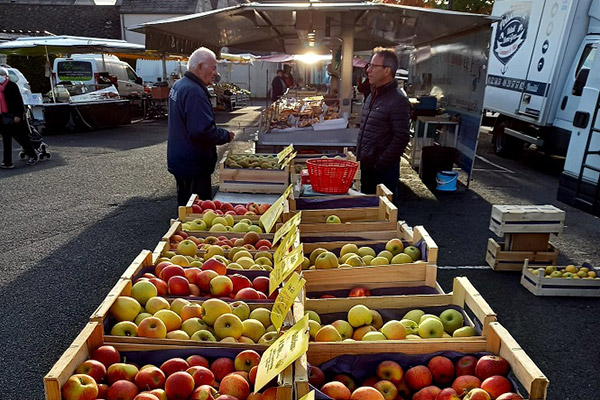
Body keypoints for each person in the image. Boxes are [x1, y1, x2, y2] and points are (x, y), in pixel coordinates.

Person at [167, 47, 234, 205]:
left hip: (181, 158)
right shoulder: (194, 91)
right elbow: (201, 131)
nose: (216, 73)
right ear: (199, 67)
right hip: (193, 163)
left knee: (185, 206)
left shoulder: (179, 85)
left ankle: (183, 228)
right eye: (213, 68)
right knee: (198, 209)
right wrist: (225, 135)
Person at [355, 47, 410, 205]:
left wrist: (380, 164)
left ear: (387, 70)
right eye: (368, 66)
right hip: (366, 170)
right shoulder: (372, 96)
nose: (368, 71)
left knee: (383, 215)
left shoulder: (398, 100)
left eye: (373, 66)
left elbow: (401, 137)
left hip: (382, 174)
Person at [0, 67, 38, 169]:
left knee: (22, 137)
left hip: (14, 116)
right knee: (6, 140)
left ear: (5, 76)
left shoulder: (12, 86)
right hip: (3, 116)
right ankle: (7, 162)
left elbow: (18, 102)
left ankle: (33, 155)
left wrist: (18, 115)